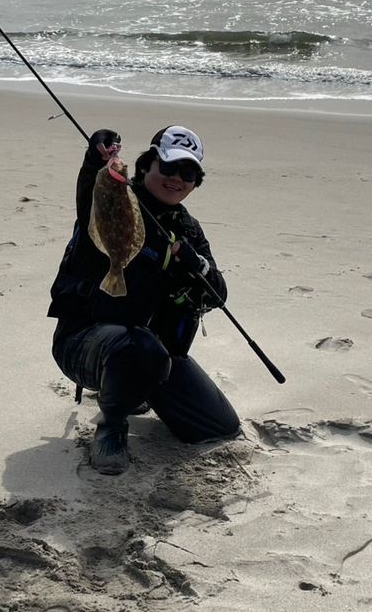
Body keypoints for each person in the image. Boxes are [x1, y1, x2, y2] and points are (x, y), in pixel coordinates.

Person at [49, 125, 240, 474]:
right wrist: (96, 157)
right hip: (84, 342)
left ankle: (135, 387)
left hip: (153, 353)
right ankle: (111, 427)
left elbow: (218, 294)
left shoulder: (188, 229)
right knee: (139, 351)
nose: (176, 179)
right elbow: (90, 192)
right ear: (146, 165)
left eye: (188, 173)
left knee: (217, 426)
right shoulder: (116, 196)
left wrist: (196, 267)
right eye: (168, 167)